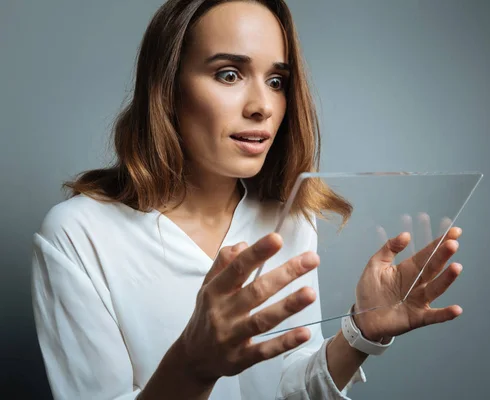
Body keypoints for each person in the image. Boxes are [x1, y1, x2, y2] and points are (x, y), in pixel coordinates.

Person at [31, 0, 464, 399]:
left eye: (276, 81)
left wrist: (362, 331)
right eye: (229, 74)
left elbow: (288, 385)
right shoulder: (78, 235)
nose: (263, 106)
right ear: (167, 87)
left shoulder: (290, 218)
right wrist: (192, 365)